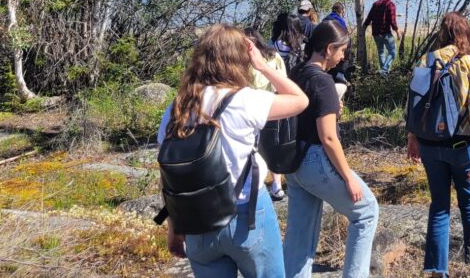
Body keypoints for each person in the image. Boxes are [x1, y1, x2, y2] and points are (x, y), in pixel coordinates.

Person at [158, 24, 308, 278]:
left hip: (196, 218)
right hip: (247, 214)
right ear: (240, 60)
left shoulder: (177, 107)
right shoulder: (245, 100)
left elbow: (168, 174)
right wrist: (263, 66)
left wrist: (174, 227)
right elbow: (300, 100)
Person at [283, 20, 379, 278]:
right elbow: (328, 137)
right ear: (328, 49)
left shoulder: (297, 73)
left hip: (294, 163)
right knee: (367, 212)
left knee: (299, 237)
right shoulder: (323, 82)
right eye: (342, 50)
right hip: (316, 160)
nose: (343, 56)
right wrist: (348, 177)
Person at [406, 12, 470, 278]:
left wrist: (413, 138)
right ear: (466, 34)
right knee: (469, 204)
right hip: (462, 147)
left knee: (439, 206)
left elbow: (413, 103)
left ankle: (437, 272)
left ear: (441, 35)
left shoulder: (425, 60)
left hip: (430, 144)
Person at [244, 27, 290, 202]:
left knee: (265, 145)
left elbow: (283, 78)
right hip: (261, 105)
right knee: (264, 145)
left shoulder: (266, 56)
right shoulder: (245, 61)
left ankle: (271, 184)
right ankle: (268, 184)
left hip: (263, 104)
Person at [363, 0, 401, 73]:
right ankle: (384, 70)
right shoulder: (390, 4)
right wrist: (397, 31)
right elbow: (392, 21)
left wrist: (364, 26)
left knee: (381, 52)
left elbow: (369, 17)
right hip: (385, 32)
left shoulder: (375, 4)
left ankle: (383, 73)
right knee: (393, 52)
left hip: (376, 33)